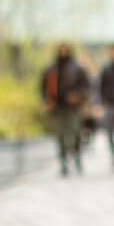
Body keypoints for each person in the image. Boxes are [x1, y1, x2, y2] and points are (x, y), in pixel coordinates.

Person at [41, 43, 91, 177]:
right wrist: (47, 101)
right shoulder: (51, 69)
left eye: (65, 50)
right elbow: (43, 88)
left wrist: (78, 96)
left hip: (73, 108)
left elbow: (86, 87)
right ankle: (63, 162)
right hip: (57, 108)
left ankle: (77, 158)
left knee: (76, 133)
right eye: (61, 49)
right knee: (60, 136)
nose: (63, 52)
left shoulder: (78, 69)